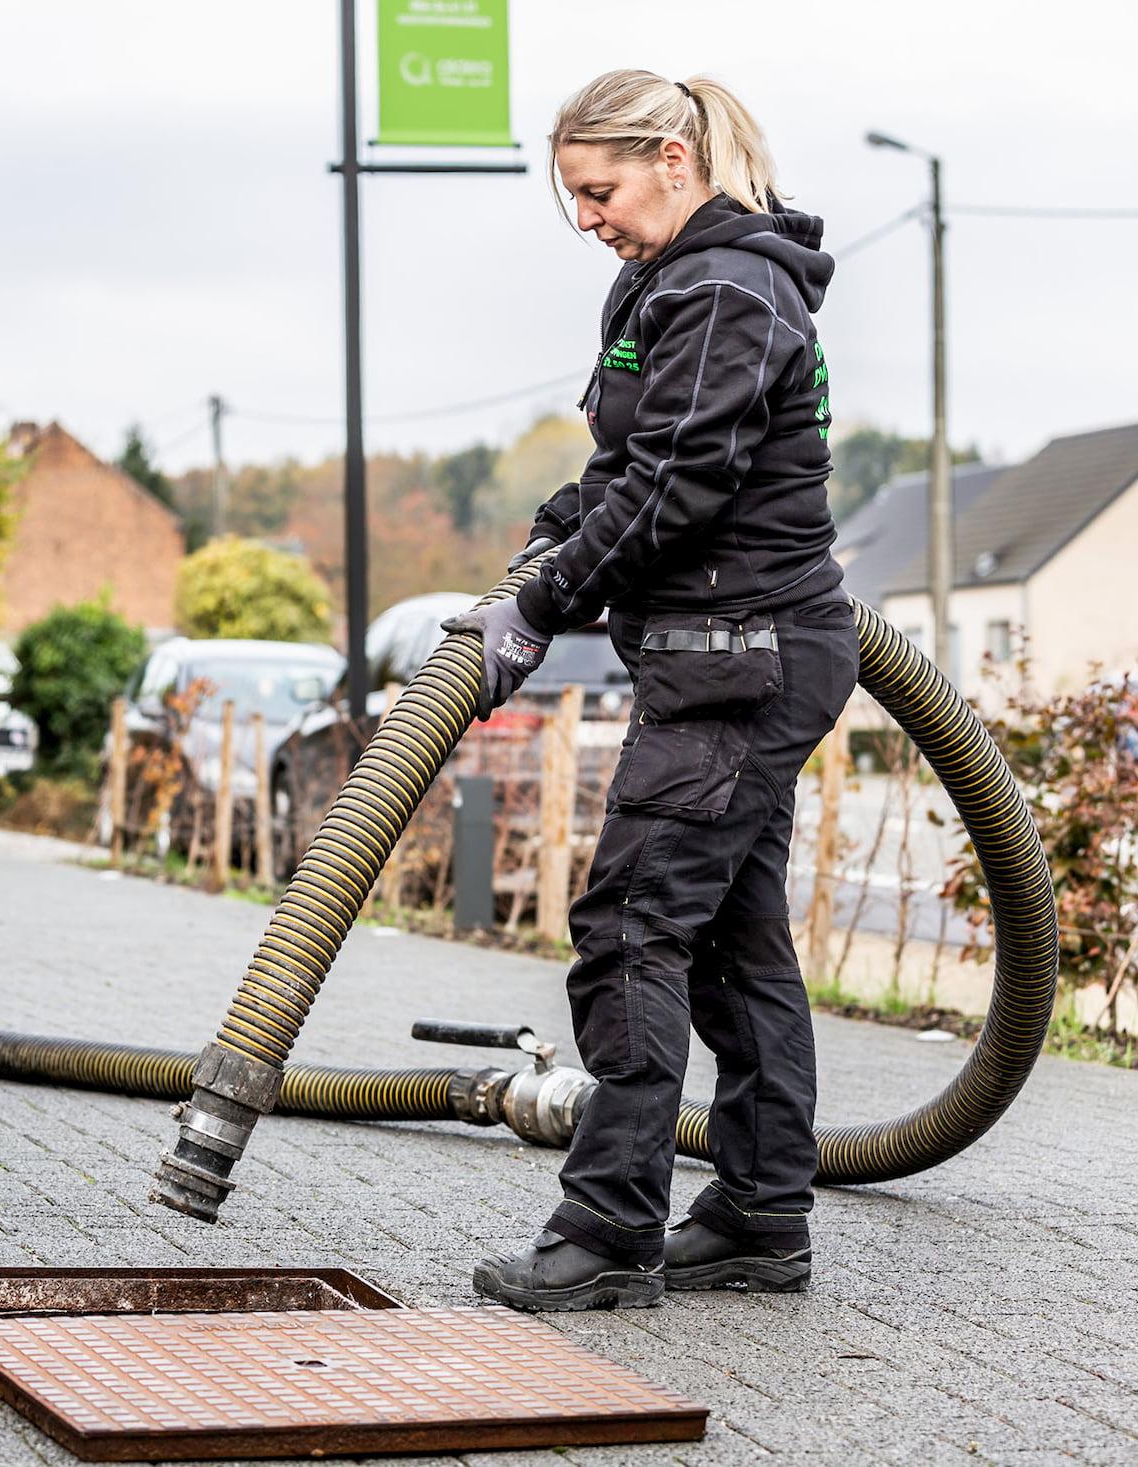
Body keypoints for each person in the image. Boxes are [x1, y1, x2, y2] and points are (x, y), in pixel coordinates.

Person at [443, 71, 857, 1311]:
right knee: (728, 948)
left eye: (599, 190)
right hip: (726, 652)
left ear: (673, 159)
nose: (587, 218)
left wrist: (543, 604)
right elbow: (625, 467)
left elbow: (680, 488)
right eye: (571, 196)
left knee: (629, 928)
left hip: (740, 659)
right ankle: (756, 1216)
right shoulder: (683, 281)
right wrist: (546, 546)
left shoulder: (727, 286)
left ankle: (609, 1228)